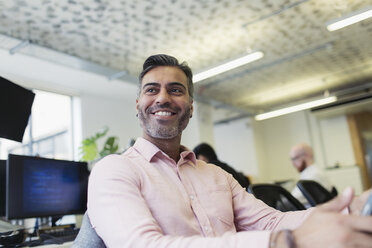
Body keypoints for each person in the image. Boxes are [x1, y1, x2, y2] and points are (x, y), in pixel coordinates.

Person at [87, 54, 372, 248]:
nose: (163, 97)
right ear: (138, 104)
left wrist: (353, 207)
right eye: (151, 90)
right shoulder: (114, 170)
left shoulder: (216, 175)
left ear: (190, 106)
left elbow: (272, 220)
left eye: (175, 90)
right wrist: (282, 241)